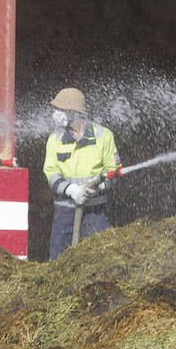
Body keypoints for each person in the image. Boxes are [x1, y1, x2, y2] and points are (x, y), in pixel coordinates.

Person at [42, 87, 122, 260]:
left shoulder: (103, 136)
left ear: (74, 112)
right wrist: (72, 190)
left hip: (95, 213)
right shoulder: (55, 139)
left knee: (98, 260)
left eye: (61, 110)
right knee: (59, 261)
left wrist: (96, 188)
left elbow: (113, 173)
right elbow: (51, 173)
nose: (56, 114)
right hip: (65, 213)